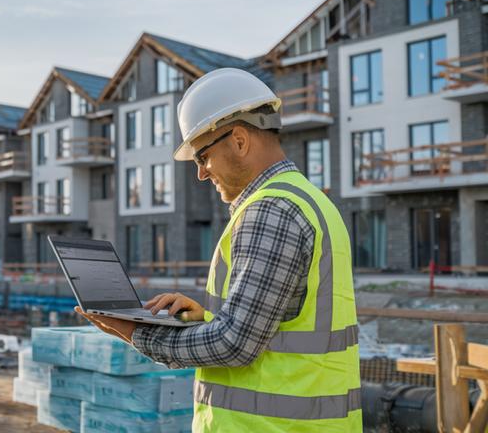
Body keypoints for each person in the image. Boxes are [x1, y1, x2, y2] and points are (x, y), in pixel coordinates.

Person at [77, 68, 361, 432]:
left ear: (240, 140)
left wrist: (134, 332)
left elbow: (234, 344)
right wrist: (209, 316)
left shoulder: (270, 210)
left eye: (202, 157)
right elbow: (282, 321)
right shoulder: (307, 199)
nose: (201, 173)